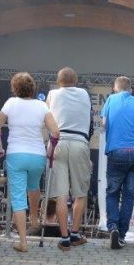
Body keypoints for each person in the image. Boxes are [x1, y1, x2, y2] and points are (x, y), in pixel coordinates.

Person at [0, 72, 59, 252]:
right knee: (34, 186)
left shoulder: (10, 103)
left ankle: (23, 241)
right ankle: (34, 219)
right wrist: (50, 150)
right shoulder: (41, 105)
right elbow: (55, 132)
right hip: (37, 155)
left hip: (16, 154)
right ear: (32, 88)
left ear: (15, 88)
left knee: (18, 197)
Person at [47, 67, 93, 251]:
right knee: (80, 193)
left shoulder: (52, 94)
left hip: (58, 142)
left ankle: (64, 237)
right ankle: (75, 233)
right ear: (76, 81)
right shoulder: (84, 94)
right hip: (80, 142)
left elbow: (47, 117)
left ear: (58, 81)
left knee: (61, 194)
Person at [102, 76, 134, 249]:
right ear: (131, 89)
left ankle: (113, 227)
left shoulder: (110, 100)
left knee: (113, 192)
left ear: (115, 88)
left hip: (116, 151)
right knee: (129, 196)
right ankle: (121, 235)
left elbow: (104, 123)